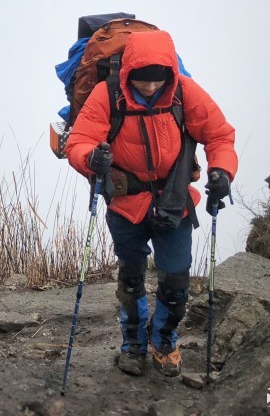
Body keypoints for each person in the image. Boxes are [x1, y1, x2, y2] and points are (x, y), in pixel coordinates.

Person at [65, 29, 238, 377]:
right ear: (127, 73)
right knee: (131, 278)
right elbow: (79, 141)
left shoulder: (184, 93)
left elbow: (219, 134)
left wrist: (222, 172)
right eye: (141, 81)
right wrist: (90, 159)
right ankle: (133, 343)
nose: (148, 88)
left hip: (174, 200)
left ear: (169, 74)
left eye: (156, 81)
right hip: (125, 202)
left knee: (176, 281)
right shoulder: (107, 95)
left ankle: (164, 340)